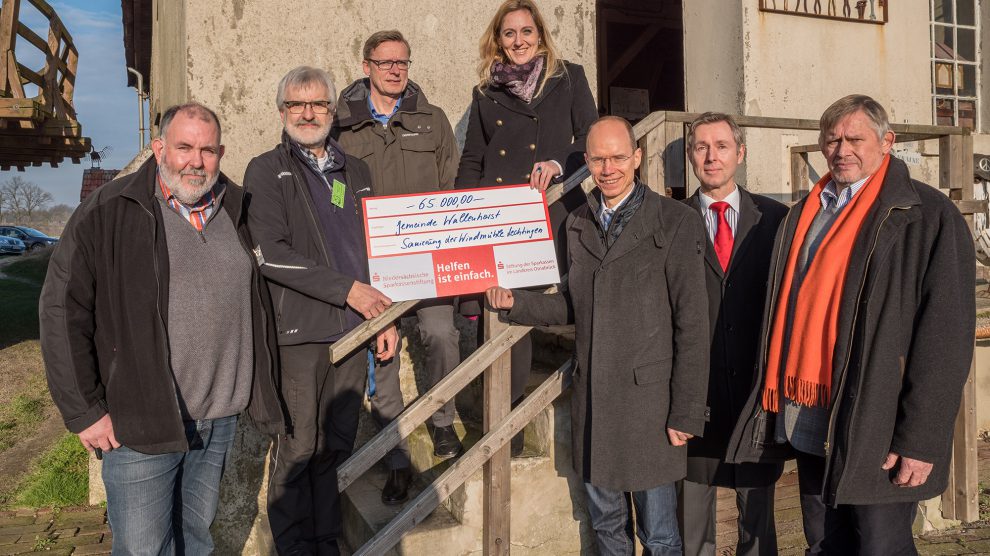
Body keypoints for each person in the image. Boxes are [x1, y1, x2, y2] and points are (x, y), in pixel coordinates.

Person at [727, 95, 975, 555]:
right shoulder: (804, 213)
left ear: (887, 142)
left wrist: (920, 438)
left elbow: (946, 336)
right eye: (832, 139)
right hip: (810, 415)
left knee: (881, 546)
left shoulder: (925, 215)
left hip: (878, 423)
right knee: (823, 542)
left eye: (855, 138)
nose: (842, 149)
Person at [39, 103, 285, 554]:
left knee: (195, 539)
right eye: (184, 147)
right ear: (159, 149)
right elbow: (60, 310)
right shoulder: (109, 210)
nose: (195, 161)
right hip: (139, 419)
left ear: (221, 152)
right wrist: (84, 411)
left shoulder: (238, 207)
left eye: (207, 150)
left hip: (217, 417)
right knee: (142, 548)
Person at [486, 116, 710, 555]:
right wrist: (517, 303)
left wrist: (686, 411)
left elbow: (693, 323)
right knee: (607, 527)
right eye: (599, 159)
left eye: (618, 157)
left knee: (660, 534)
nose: (609, 169)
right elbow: (575, 303)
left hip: (651, 407)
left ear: (637, 158)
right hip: (596, 402)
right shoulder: (578, 224)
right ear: (586, 162)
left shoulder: (676, 221)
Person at [243, 66, 399, 555]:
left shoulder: (357, 173)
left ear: (333, 110)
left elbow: (376, 249)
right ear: (282, 111)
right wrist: (349, 291)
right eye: (296, 104)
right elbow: (270, 251)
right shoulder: (265, 170)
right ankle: (291, 547)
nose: (307, 114)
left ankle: (325, 540)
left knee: (336, 443)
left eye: (318, 104)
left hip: (353, 332)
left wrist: (384, 318)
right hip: (299, 334)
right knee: (298, 445)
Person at [456, 0, 598, 455]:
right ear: (497, 40)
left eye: (526, 32)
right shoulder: (485, 93)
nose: (518, 41)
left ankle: (591, 394)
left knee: (555, 303)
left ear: (541, 35)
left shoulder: (569, 76)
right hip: (504, 217)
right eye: (509, 34)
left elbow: (590, 135)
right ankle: (507, 422)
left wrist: (560, 162)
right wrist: (464, 213)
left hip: (556, 209)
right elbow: (475, 158)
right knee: (508, 308)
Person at [332, 29, 462, 505]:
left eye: (402, 63)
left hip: (427, 261)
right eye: (385, 62)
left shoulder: (432, 120)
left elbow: (452, 184)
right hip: (371, 266)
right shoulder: (342, 124)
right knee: (381, 360)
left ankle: (444, 423)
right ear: (366, 65)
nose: (394, 70)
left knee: (443, 335)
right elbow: (335, 191)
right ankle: (396, 460)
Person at [679, 113, 787, 556]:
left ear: (740, 154)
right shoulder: (672, 220)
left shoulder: (777, 219)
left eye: (721, 146)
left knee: (759, 526)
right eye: (701, 147)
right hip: (692, 396)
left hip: (755, 396)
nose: (711, 156)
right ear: (690, 156)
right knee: (691, 528)